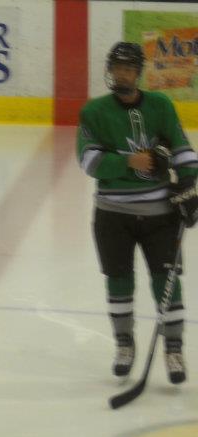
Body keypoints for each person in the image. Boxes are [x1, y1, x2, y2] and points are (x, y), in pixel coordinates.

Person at [77, 41, 197, 383]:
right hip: (112, 214)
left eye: (128, 68)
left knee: (167, 282)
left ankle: (173, 349)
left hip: (160, 214)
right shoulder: (94, 112)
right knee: (119, 280)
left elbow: (183, 149)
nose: (122, 74)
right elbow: (88, 161)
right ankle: (124, 343)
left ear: (138, 72)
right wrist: (128, 161)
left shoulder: (160, 105)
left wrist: (188, 185)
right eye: (117, 68)